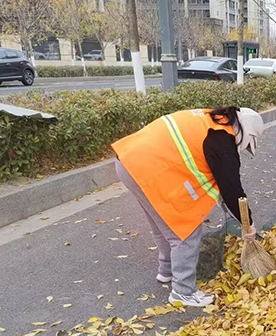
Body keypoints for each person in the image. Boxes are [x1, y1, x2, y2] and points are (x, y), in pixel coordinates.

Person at [112, 107, 263, 307]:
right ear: (246, 132)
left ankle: (166, 270)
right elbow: (232, 189)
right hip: (146, 168)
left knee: (162, 224)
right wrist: (248, 225)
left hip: (128, 161)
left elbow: (222, 182)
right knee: (185, 230)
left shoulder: (212, 120)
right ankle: (183, 291)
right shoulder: (222, 139)